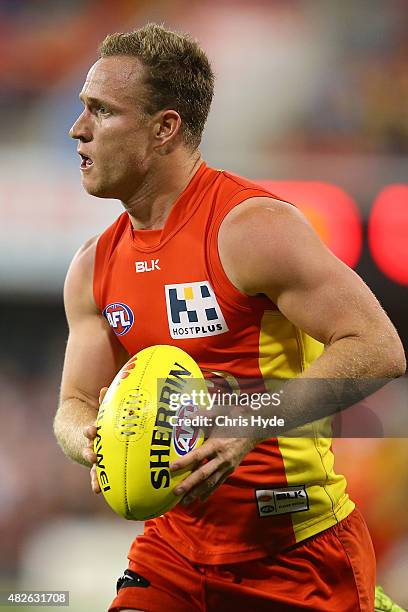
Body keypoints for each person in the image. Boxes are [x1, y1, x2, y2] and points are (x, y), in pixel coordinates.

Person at [54, 23, 406, 612]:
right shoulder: (93, 265)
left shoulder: (249, 228)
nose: (78, 129)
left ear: (165, 128)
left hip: (296, 550)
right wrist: (90, 440)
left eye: (101, 111)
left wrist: (250, 420)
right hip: (171, 553)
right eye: (81, 108)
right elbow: (73, 403)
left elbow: (379, 347)